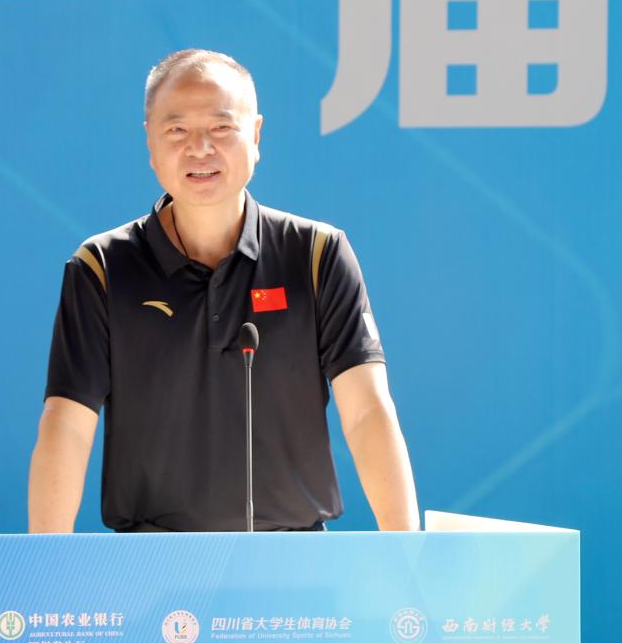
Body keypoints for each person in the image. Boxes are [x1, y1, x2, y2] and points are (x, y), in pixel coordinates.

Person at [28, 49, 419, 533]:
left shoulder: (317, 254)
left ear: (256, 135)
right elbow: (67, 422)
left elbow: (367, 412)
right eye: (177, 130)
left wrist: (406, 554)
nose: (200, 149)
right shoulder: (103, 267)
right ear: (149, 141)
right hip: (148, 559)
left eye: (221, 127)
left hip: (294, 558)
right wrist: (43, 563)